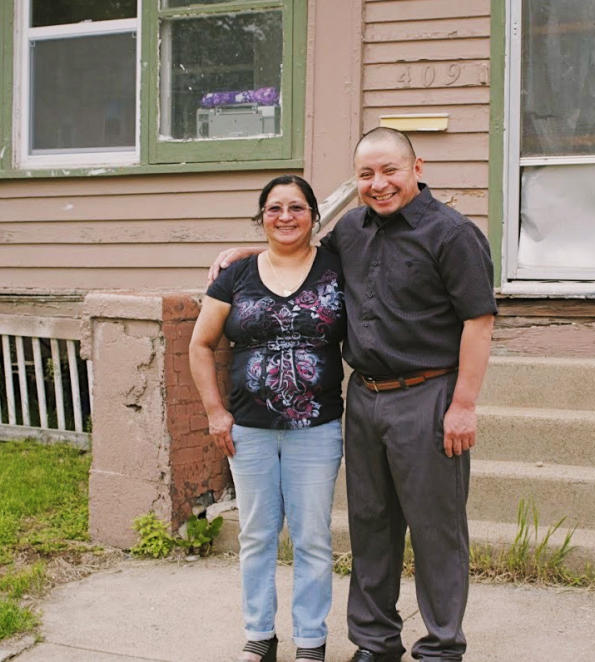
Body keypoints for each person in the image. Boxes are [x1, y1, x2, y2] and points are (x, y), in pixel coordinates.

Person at [212, 128, 497, 660]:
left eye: (389, 170)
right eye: (366, 174)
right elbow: (303, 252)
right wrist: (250, 252)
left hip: (428, 396)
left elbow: (479, 322)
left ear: (417, 167)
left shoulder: (452, 234)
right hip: (364, 397)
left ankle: (439, 645)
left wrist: (463, 405)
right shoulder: (353, 229)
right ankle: (375, 640)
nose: (378, 183)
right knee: (370, 523)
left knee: (435, 528)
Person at [190, 175, 346, 662]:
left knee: (312, 537)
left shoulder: (336, 268)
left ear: (314, 217)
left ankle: (310, 641)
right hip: (249, 431)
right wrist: (217, 413)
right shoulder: (235, 276)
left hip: (317, 429)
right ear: (261, 217)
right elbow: (200, 344)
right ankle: (259, 634)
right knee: (257, 535)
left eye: (296, 208)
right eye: (274, 208)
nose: (285, 217)